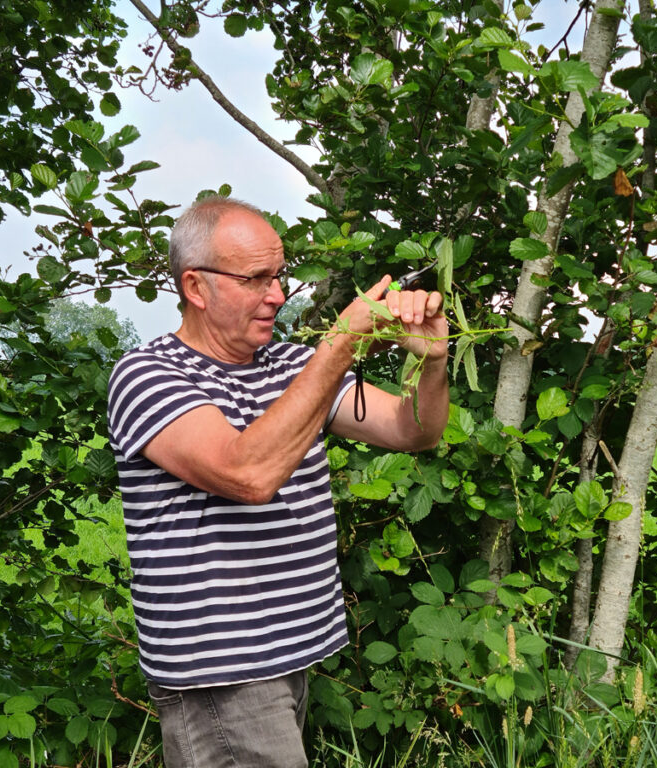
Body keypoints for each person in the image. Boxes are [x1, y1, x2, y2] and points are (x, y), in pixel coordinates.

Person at [106, 196, 449, 767]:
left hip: (286, 656)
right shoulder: (147, 375)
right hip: (222, 673)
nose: (278, 295)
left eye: (279, 275)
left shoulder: (290, 367)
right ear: (195, 286)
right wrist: (341, 346)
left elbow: (411, 431)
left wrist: (432, 361)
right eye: (256, 279)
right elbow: (248, 474)